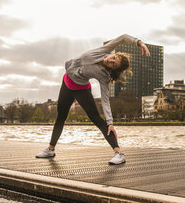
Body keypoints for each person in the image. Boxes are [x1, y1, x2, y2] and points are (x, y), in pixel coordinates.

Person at [36, 34, 150, 165]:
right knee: (61, 117)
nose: (110, 61)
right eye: (113, 58)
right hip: (66, 82)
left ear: (113, 69)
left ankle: (119, 153)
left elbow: (105, 100)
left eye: (113, 64)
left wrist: (110, 122)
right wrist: (140, 43)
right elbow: (123, 37)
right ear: (114, 54)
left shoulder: (104, 76)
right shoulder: (103, 51)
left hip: (81, 89)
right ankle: (50, 149)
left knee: (96, 118)